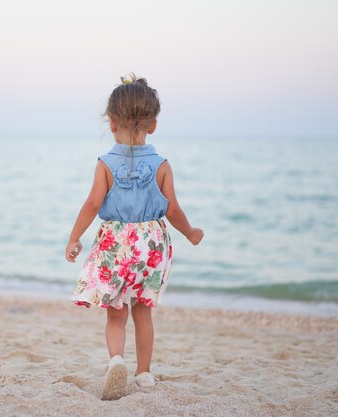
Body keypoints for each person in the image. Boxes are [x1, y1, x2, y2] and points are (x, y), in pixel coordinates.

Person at [65, 74, 204, 401]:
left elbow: (92, 204)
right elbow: (173, 211)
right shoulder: (162, 165)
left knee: (116, 313)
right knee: (143, 311)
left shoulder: (105, 163)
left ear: (111, 123)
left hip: (116, 246)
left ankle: (116, 360)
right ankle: (143, 374)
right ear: (152, 125)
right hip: (150, 248)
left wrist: (73, 237)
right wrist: (192, 233)